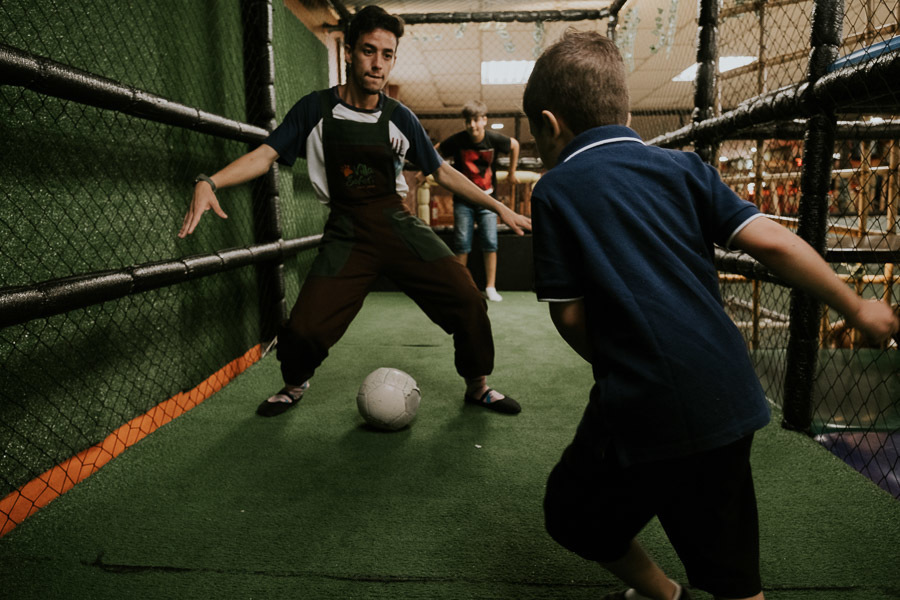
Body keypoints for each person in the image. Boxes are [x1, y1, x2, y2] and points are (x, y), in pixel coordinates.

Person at [522, 30, 899, 600]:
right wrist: (856, 305)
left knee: (572, 514)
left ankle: (664, 595)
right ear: (624, 108)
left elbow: (571, 320)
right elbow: (774, 243)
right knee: (733, 576)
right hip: (728, 393)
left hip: (644, 404)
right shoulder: (683, 169)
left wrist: (631, 358)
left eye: (537, 136)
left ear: (550, 125)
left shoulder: (555, 191)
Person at [179, 6, 530, 418]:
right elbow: (265, 154)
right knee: (303, 330)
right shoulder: (315, 110)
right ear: (348, 52)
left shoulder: (401, 118)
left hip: (395, 222)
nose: (377, 63)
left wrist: (497, 205)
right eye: (368, 51)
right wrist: (211, 181)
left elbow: (443, 172)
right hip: (346, 230)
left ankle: (478, 386)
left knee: (468, 297)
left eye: (387, 54)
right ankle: (294, 385)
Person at [436, 100, 520, 302]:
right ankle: (461, 287)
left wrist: (511, 172)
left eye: (475, 120)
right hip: (463, 200)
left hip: (488, 199)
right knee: (462, 243)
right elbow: (435, 150)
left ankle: (490, 286)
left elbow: (515, 144)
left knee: (490, 241)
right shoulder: (458, 140)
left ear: (484, 120)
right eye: (468, 121)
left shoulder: (492, 139)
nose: (472, 125)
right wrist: (427, 171)